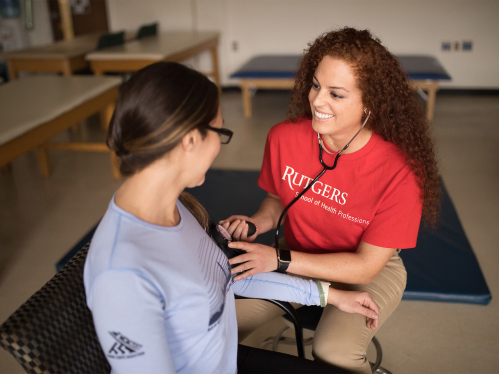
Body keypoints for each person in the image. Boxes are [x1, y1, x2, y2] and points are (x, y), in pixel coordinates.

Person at [83, 61, 381, 374]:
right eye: (220, 131)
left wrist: (329, 296)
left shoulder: (176, 209)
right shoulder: (121, 274)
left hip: (228, 358)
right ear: (190, 140)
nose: (219, 147)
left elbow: (230, 275)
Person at [222, 27, 440, 373]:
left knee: (334, 353)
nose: (317, 101)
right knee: (217, 329)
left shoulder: (401, 171)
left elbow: (367, 265)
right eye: (315, 85)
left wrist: (276, 259)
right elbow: (277, 199)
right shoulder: (283, 136)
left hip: (364, 271)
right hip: (293, 259)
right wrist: (256, 222)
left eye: (336, 94)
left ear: (371, 102)